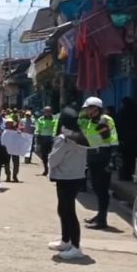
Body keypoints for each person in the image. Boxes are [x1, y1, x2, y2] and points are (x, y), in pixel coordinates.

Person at [48, 107, 89, 260]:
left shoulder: (63, 139)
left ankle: (76, 246)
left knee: (68, 211)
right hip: (76, 177)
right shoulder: (83, 138)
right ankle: (66, 240)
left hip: (65, 178)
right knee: (64, 209)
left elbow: (53, 160)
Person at [80, 97, 119, 229]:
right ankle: (100, 215)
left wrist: (113, 157)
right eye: (87, 109)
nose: (87, 111)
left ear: (96, 108)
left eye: (90, 108)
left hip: (102, 155)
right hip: (92, 156)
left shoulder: (105, 119)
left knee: (102, 188)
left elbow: (112, 138)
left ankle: (102, 220)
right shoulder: (91, 122)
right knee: (96, 187)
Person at [117, 97, 137, 181]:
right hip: (135, 140)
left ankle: (125, 176)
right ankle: (133, 174)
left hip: (124, 140)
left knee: (124, 158)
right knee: (133, 158)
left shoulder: (122, 113)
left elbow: (118, 126)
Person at [35, 106, 55, 176]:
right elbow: (37, 129)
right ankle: (46, 168)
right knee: (43, 155)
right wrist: (37, 136)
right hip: (43, 138)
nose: (47, 113)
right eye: (46, 111)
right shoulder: (40, 119)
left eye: (48, 111)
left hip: (52, 138)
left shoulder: (54, 119)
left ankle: (52, 170)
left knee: (53, 155)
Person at [3, 117, 21, 183]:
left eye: (11, 123)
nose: (9, 124)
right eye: (8, 123)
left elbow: (20, 139)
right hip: (6, 149)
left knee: (16, 163)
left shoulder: (16, 130)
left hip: (15, 149)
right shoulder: (4, 131)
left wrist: (19, 134)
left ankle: (15, 176)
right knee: (6, 163)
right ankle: (8, 176)